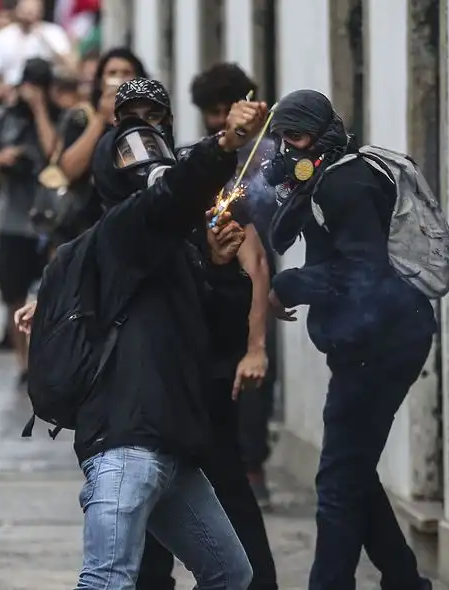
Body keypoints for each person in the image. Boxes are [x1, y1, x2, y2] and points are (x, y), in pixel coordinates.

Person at [70, 78, 267, 589]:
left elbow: (218, 335)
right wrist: (225, 145)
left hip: (174, 439)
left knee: (231, 573)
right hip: (125, 438)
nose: (143, 144)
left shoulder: (181, 242)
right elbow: (168, 195)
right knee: (109, 580)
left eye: (152, 123)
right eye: (130, 128)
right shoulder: (124, 227)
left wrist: (223, 270)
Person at [263, 90, 437, 590]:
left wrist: (289, 284)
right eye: (281, 138)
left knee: (338, 483)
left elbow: (362, 273)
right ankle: (405, 581)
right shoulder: (333, 175)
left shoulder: (346, 184)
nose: (287, 150)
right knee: (353, 469)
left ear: (323, 135)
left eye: (295, 137)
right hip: (370, 342)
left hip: (380, 345)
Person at [136, 62, 280, 590]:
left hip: (210, 364)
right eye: (131, 120)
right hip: (156, 373)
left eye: (153, 117)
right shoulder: (137, 192)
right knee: (145, 494)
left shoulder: (208, 179)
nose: (141, 131)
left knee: (225, 484)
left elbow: (254, 261)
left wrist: (256, 345)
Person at [0, 57, 60, 385]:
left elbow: (55, 154)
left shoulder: (59, 116)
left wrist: (41, 110)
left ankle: (47, 360)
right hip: (13, 217)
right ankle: (23, 362)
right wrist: (3, 159)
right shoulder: (3, 118)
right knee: (12, 290)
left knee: (52, 292)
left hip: (49, 218)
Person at [53, 47, 147, 246]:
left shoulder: (151, 118)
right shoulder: (81, 118)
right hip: (87, 225)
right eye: (112, 73)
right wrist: (100, 118)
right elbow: (68, 170)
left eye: (126, 73)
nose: (119, 78)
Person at [0, 0, 75, 86]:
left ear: (40, 12)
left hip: (44, 89)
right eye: (24, 10)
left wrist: (44, 38)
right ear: (16, 11)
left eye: (32, 11)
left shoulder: (53, 33)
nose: (27, 14)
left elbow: (70, 65)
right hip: (10, 90)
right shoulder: (1, 36)